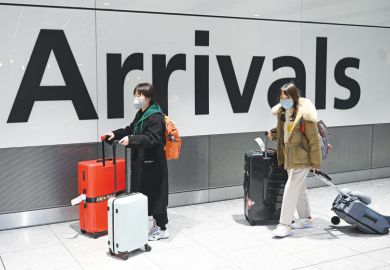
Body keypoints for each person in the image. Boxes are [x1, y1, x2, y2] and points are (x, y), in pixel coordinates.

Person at [104, 83, 169, 241]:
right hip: (141, 164)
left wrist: (131, 139)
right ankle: (151, 225)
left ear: (148, 98)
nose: (136, 98)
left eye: (139, 95)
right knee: (142, 194)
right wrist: (115, 134)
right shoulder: (141, 114)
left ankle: (162, 228)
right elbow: (131, 129)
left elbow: (153, 138)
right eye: (135, 95)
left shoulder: (156, 116)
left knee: (156, 196)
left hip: (153, 164)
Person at [268, 82, 321, 238]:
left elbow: (314, 140)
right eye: (282, 97)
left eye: (287, 97)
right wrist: (274, 134)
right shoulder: (283, 113)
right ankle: (306, 219)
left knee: (290, 189)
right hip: (289, 156)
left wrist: (316, 162)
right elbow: (284, 132)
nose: (284, 100)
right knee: (299, 189)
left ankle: (285, 225)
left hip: (302, 157)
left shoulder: (305, 114)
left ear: (294, 97)